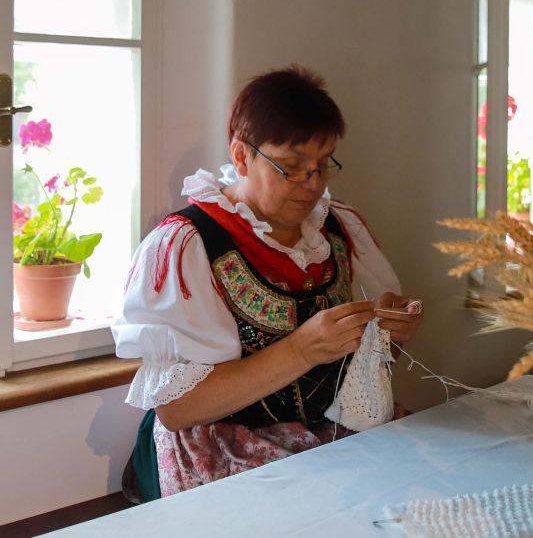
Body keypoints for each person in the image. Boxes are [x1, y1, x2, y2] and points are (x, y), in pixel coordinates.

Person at [112, 66, 423, 499]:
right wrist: (300, 350)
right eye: (292, 167)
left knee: (421, 492)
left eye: (323, 164)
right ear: (242, 156)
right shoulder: (187, 246)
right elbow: (177, 409)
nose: (312, 184)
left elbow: (368, 366)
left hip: (329, 430)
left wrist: (385, 333)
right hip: (221, 443)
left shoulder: (340, 229)